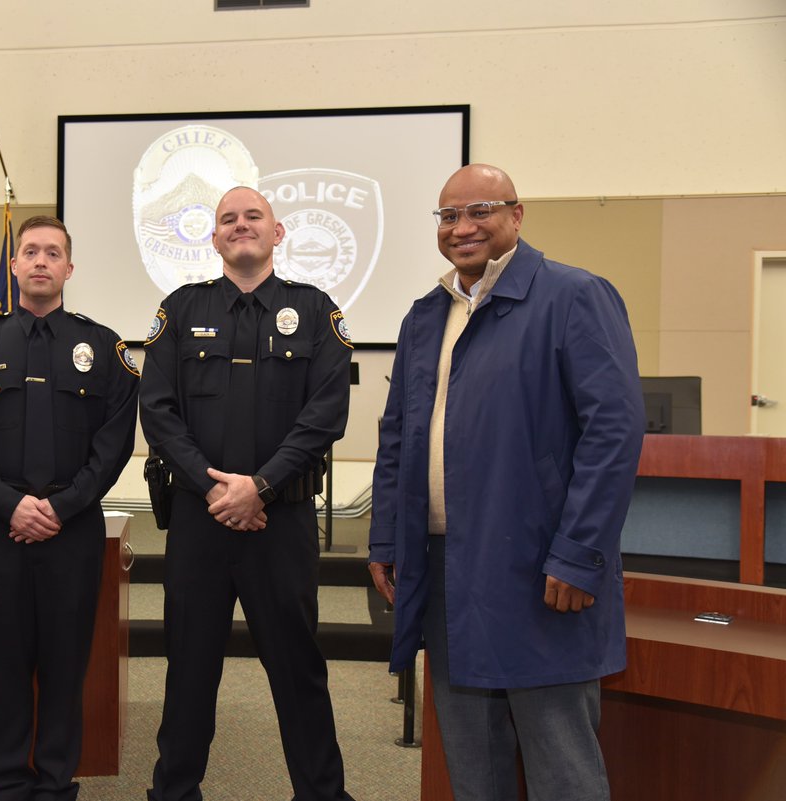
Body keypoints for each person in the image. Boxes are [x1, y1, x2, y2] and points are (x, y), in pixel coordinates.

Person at [369, 164, 644, 801]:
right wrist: (387, 541)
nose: (462, 227)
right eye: (448, 216)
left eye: (480, 211)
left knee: (561, 766)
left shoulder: (574, 296)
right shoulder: (425, 315)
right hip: (442, 570)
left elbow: (616, 433)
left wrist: (579, 554)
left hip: (540, 572)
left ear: (516, 216)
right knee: (473, 764)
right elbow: (398, 438)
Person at [141, 186, 357, 801]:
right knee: (189, 668)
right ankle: (174, 792)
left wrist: (259, 486)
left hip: (279, 521)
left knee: (297, 670)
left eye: (252, 217)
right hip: (199, 520)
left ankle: (322, 793)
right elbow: (158, 411)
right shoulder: (179, 310)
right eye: (227, 219)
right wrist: (218, 489)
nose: (240, 226)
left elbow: (325, 414)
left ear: (277, 233)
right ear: (213, 238)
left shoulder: (315, 312)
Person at [0, 215, 139, 801]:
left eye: (54, 252)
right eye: (31, 251)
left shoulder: (104, 347)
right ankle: (4, 782)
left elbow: (113, 443)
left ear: (69, 268)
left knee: (64, 665)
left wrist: (60, 507)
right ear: (15, 265)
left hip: (72, 532)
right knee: (4, 664)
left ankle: (54, 783)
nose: (41, 261)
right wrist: (8, 505)